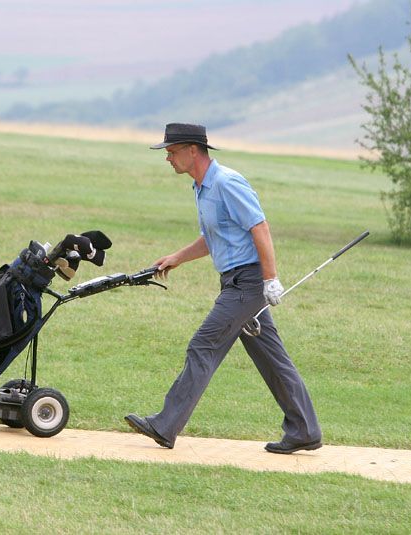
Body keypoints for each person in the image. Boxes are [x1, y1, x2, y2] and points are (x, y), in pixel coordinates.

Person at [124, 123, 322, 454]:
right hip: (233, 281)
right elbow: (215, 238)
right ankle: (305, 429)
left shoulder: (227, 183)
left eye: (171, 152)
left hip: (246, 284)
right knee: (271, 358)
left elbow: (259, 227)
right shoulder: (202, 188)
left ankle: (165, 424)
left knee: (203, 346)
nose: (168, 158)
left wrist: (270, 279)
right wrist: (178, 257)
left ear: (192, 151)